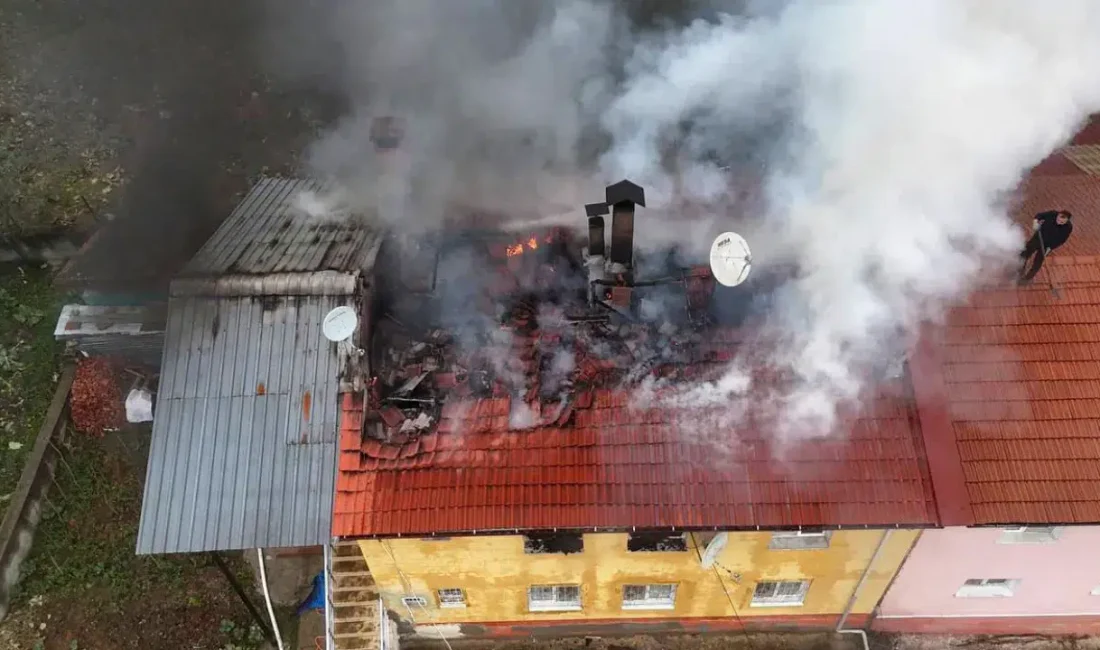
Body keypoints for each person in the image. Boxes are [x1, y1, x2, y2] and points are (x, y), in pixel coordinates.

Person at [1018, 209, 1073, 286]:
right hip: (1038, 238)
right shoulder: (1052, 214)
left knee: (1037, 262)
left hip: (1047, 245)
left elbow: (1062, 240)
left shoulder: (1068, 227)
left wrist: (1050, 248)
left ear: (1067, 221)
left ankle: (1027, 279)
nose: (1060, 222)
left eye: (1062, 222)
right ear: (1058, 215)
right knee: (1024, 254)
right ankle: (1020, 272)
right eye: (1059, 220)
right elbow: (1039, 215)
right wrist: (1035, 222)